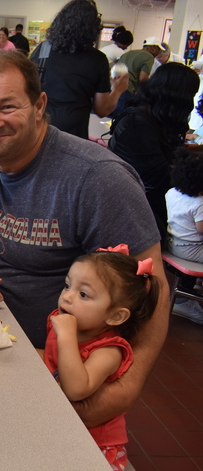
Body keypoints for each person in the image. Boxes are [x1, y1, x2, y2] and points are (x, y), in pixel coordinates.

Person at [0, 50, 168, 430]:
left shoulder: (97, 179)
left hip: (49, 373)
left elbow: (153, 288)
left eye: (8, 106)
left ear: (39, 105)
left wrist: (122, 393)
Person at [44, 247, 160, 471]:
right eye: (68, 286)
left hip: (94, 446)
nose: (67, 296)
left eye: (83, 294)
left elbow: (77, 389)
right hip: (59, 426)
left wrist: (65, 336)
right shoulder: (69, 325)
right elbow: (52, 360)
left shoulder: (109, 350)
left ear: (115, 317)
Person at [109, 63, 199, 241]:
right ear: (178, 97)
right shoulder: (137, 124)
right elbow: (161, 178)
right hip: (138, 212)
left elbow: (169, 153)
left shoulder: (149, 117)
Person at [29, 0, 126, 139]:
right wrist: (117, 90)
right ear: (93, 28)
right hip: (73, 131)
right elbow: (102, 109)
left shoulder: (44, 49)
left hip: (39, 124)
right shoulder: (97, 60)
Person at [165, 149, 203, 324]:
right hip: (191, 250)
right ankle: (184, 301)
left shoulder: (171, 192)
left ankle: (191, 290)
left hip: (173, 244)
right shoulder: (200, 203)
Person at [112, 36, 162, 118]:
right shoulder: (149, 57)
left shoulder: (129, 53)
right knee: (123, 119)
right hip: (127, 90)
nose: (158, 53)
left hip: (114, 88)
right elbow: (143, 79)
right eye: (159, 50)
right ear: (153, 48)